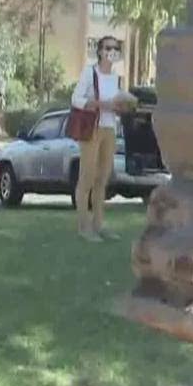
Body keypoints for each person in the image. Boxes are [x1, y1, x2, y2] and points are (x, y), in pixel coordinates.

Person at [71, 35, 134, 242]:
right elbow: (76, 99)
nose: (112, 51)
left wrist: (124, 105)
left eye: (116, 48)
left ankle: (99, 225)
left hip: (110, 129)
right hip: (92, 129)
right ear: (99, 51)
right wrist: (101, 104)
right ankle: (83, 227)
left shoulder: (115, 77)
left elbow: (115, 105)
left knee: (102, 179)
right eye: (108, 48)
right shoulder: (90, 73)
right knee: (87, 177)